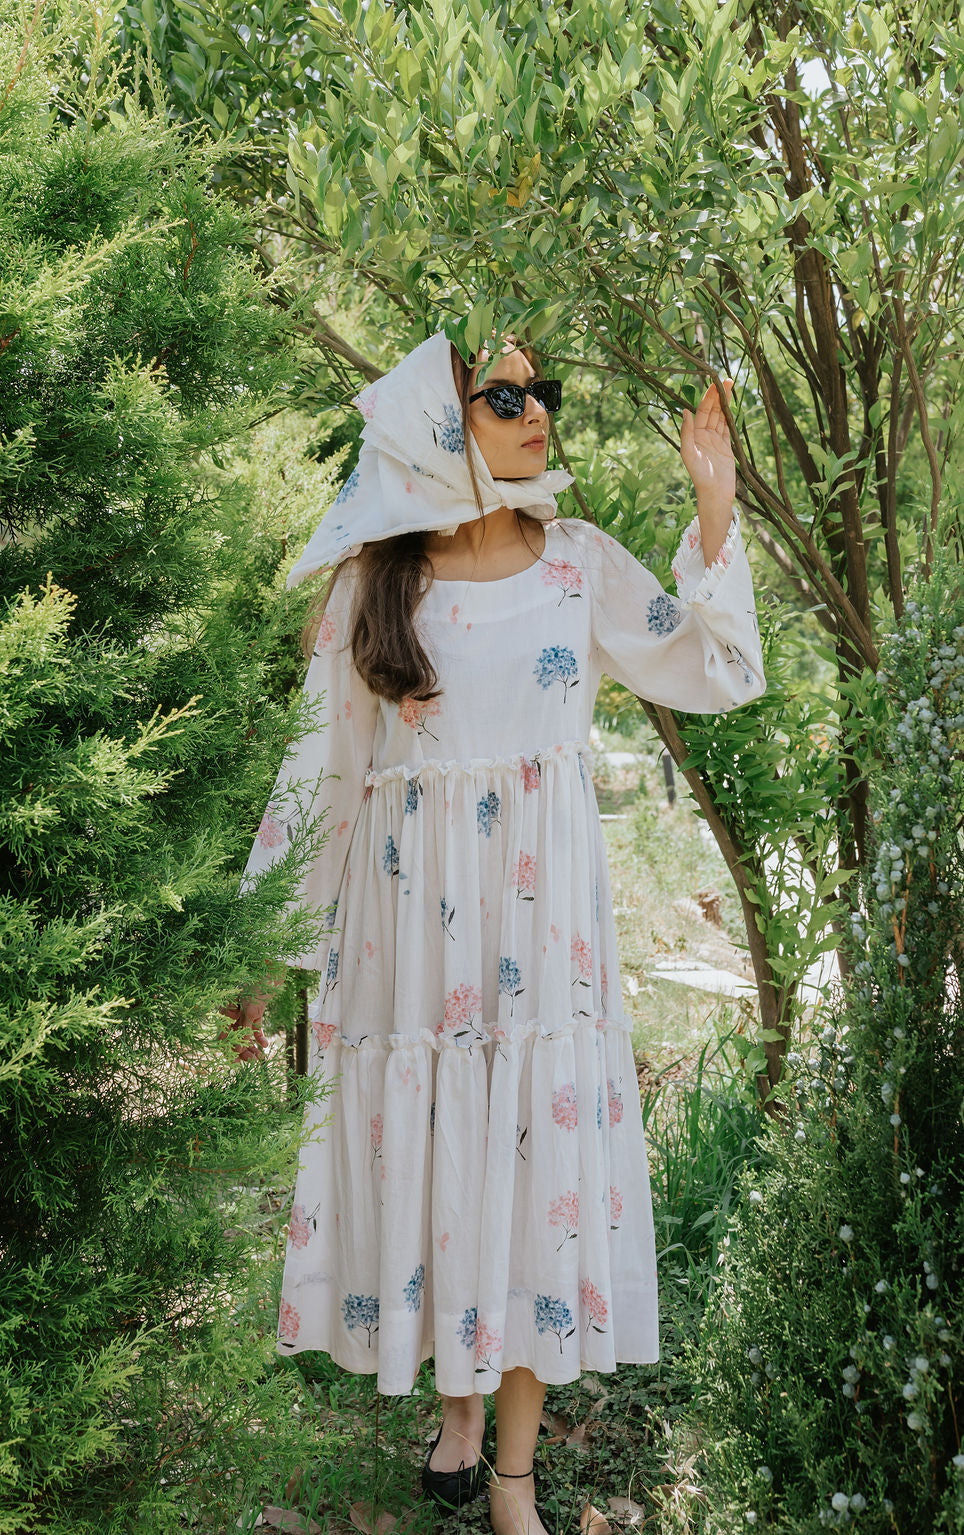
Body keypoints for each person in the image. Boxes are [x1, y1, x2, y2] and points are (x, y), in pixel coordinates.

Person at [226, 330, 765, 1535]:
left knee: (532, 1171)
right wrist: (262, 946)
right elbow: (323, 772)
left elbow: (711, 663)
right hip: (408, 939)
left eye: (545, 392)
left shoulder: (574, 563)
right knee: (444, 1156)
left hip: (543, 933)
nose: (536, 413)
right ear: (438, 420)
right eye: (504, 394)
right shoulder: (378, 586)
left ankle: (508, 1477)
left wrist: (714, 508)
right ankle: (456, 1403)